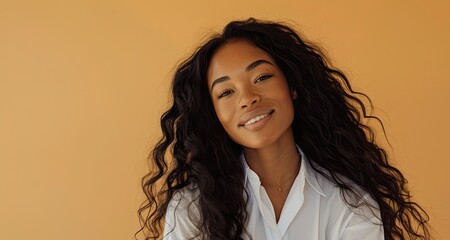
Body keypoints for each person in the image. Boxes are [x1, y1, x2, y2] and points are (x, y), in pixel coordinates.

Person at [137, 18, 430, 240]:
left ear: (292, 86)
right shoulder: (191, 208)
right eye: (226, 93)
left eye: (262, 77)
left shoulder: (350, 203)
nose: (248, 98)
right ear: (213, 114)